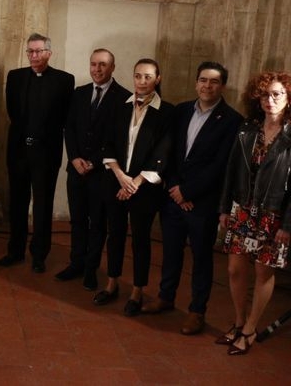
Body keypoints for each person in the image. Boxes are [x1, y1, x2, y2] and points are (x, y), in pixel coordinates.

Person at [141, 62, 242, 335]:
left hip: (203, 204)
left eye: (213, 82)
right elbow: (170, 152)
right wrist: (175, 187)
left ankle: (197, 311)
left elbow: (221, 165)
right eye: (203, 80)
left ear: (222, 86)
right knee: (171, 252)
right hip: (173, 198)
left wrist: (189, 192)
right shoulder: (182, 110)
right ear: (196, 83)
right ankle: (165, 297)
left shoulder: (232, 120)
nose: (207, 86)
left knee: (201, 259)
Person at [217, 71, 291, 355]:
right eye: (265, 94)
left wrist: (288, 224)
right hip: (243, 210)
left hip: (274, 215)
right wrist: (225, 207)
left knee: (263, 272)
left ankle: (250, 327)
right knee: (235, 269)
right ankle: (238, 322)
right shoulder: (248, 129)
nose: (270, 100)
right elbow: (231, 171)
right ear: (257, 98)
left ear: (287, 99)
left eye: (277, 94)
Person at [94, 58, 174, 316]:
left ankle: (138, 290)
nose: (141, 81)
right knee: (114, 234)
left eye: (148, 77)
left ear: (157, 79)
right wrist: (120, 176)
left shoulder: (167, 113)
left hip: (144, 188)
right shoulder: (119, 106)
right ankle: (112, 282)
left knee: (140, 239)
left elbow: (162, 153)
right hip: (116, 182)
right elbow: (106, 144)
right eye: (138, 76)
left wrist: (134, 183)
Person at [0, 33, 74, 273]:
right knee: (17, 202)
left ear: (49, 53)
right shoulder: (15, 77)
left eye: (38, 51)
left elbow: (64, 117)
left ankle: (40, 254)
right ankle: (15, 250)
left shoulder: (64, 80)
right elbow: (12, 113)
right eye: (30, 51)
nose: (33, 56)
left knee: (43, 205)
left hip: (46, 153)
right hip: (19, 150)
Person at [57, 48, 130, 291]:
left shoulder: (124, 98)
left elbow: (119, 139)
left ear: (112, 67)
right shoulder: (80, 93)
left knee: (97, 223)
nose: (97, 69)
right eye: (93, 64)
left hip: (102, 174)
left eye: (102, 65)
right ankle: (76, 263)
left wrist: (95, 162)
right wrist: (75, 157)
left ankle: (91, 269)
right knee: (77, 220)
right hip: (76, 170)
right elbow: (69, 128)